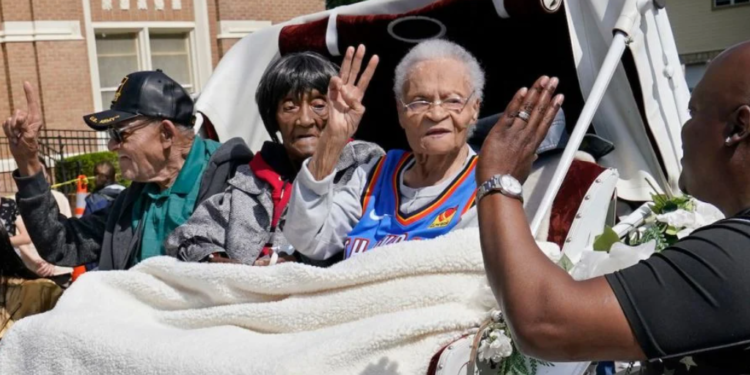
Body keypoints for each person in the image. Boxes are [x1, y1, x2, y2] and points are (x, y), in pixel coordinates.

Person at [475, 41, 750, 374]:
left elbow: (543, 321)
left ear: (739, 127)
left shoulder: (739, 254)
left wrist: (498, 182)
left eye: (694, 112)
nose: (684, 130)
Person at [2, 70, 252, 270]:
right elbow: (62, 244)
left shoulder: (237, 181)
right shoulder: (133, 200)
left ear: (166, 133)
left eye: (120, 133)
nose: (111, 146)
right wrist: (28, 162)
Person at [166, 50, 384, 265]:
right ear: (273, 118)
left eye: (319, 105)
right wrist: (218, 262)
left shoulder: (365, 166)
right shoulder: (252, 179)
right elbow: (186, 237)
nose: (305, 120)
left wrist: (299, 263)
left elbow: (372, 240)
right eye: (290, 107)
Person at [284, 40, 482, 261]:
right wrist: (332, 138)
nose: (436, 114)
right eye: (420, 101)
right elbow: (310, 240)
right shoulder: (373, 175)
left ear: (474, 109)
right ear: (400, 111)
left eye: (453, 101)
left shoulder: (486, 187)